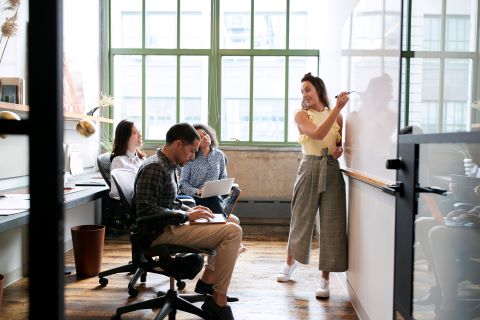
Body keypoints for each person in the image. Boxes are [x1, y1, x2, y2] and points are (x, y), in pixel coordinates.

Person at [134, 122, 242, 320]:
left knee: (230, 224)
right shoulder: (155, 168)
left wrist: (189, 209)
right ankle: (218, 301)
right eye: (191, 151)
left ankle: (214, 291)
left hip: (171, 226)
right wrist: (185, 216)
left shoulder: (168, 166)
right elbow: (145, 212)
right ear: (178, 144)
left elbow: (170, 203)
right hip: (159, 234)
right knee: (232, 232)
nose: (193, 156)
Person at [276, 72, 349, 299]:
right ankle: (290, 264)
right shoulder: (301, 115)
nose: (305, 95)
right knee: (301, 218)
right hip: (308, 166)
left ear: (319, 90)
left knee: (331, 225)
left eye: (308, 89)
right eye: (302, 91)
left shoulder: (338, 118)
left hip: (331, 169)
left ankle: (325, 280)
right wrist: (337, 108)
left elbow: (337, 145)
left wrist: (339, 151)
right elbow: (317, 135)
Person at [179, 123, 240, 224]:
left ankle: (220, 230)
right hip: (195, 199)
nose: (205, 137)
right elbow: (183, 184)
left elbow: (223, 178)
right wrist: (197, 191)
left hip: (215, 198)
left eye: (205, 134)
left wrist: (221, 188)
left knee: (216, 201)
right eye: (200, 136)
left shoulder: (219, 155)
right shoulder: (190, 156)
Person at [107, 119, 146, 229]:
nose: (140, 135)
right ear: (125, 137)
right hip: (135, 204)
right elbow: (116, 192)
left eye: (139, 131)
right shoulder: (119, 161)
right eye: (134, 133)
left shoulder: (141, 159)